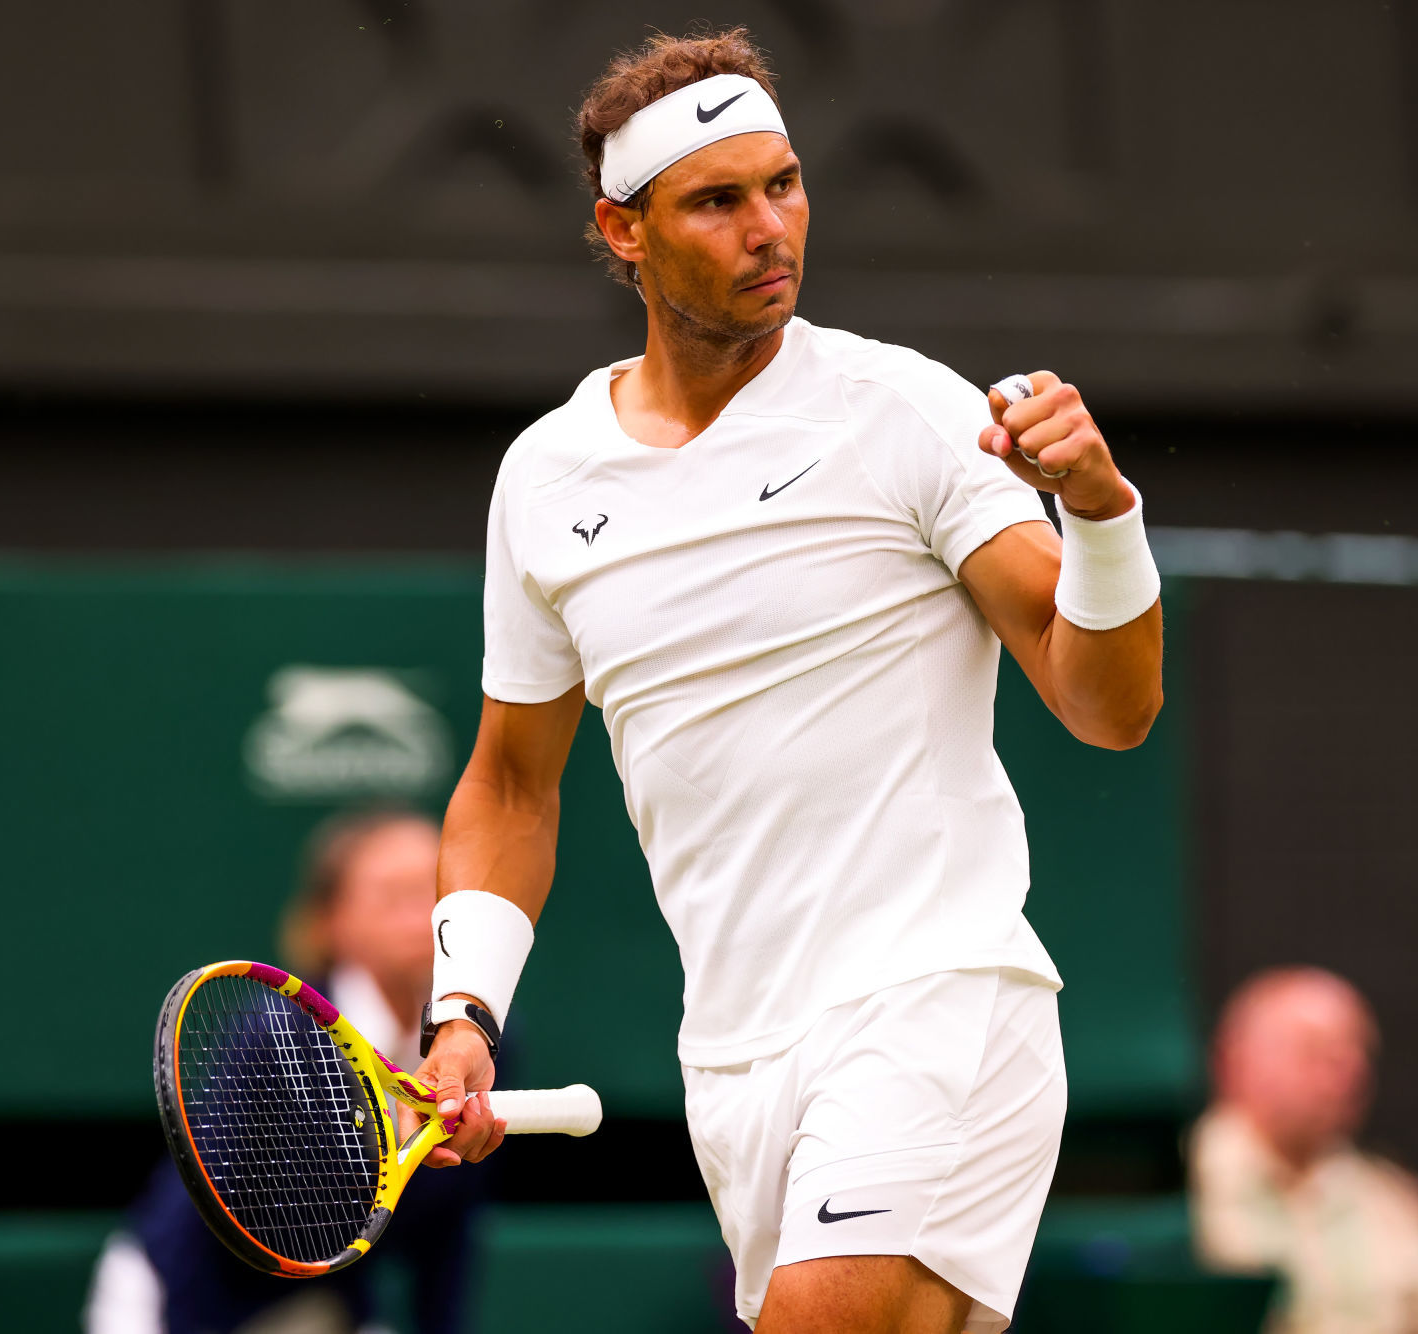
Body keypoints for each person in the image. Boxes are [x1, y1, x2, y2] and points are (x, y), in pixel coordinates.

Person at [405, 26, 1165, 1334]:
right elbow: (511, 784)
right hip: (735, 1062)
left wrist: (1099, 514)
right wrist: (463, 1011)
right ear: (625, 230)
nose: (769, 228)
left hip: (935, 998)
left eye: (785, 184)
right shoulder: (544, 477)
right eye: (717, 200)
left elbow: (1110, 705)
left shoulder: (903, 410)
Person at [87, 808, 486, 1334]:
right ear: (331, 921)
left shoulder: (479, 1046)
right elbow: (202, 1224)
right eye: (394, 897)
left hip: (325, 1299)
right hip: (175, 1297)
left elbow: (449, 1232)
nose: (422, 918)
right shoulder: (277, 1036)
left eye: (435, 894)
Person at [1190, 968, 1418, 1334]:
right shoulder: (1184, 1192)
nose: (1350, 1072)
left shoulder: (1395, 1199)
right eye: (1315, 1051)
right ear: (1234, 1062)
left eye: (1358, 1053)